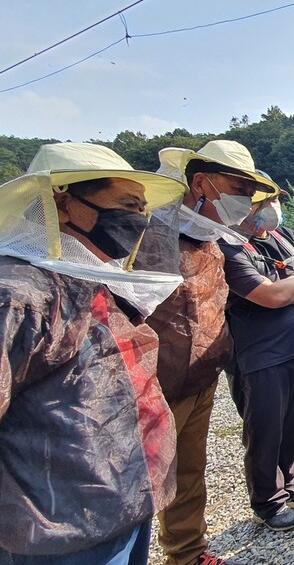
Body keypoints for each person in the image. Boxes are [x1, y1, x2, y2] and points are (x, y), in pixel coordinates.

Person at [0, 143, 186, 563]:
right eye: (125, 205)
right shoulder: (17, 295)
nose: (138, 220)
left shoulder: (89, 275)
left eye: (141, 208)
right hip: (58, 525)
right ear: (63, 204)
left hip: (121, 496)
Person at [149, 140, 278, 565]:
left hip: (200, 378)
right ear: (201, 182)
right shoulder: (147, 234)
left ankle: (187, 553)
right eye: (238, 188)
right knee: (134, 486)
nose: (245, 202)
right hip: (150, 388)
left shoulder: (211, 238)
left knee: (187, 473)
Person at [220, 185, 294, 532]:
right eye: (262, 202)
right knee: (264, 430)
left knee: (293, 426)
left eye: (274, 200)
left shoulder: (286, 236)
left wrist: (291, 287)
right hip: (256, 356)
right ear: (242, 208)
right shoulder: (228, 246)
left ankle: (292, 487)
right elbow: (268, 296)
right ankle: (267, 502)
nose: (271, 207)